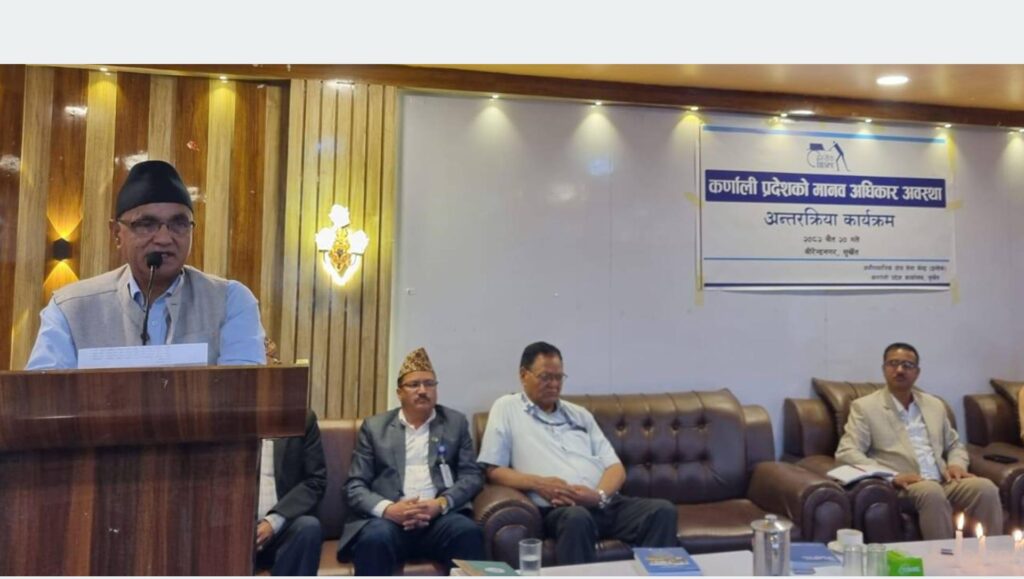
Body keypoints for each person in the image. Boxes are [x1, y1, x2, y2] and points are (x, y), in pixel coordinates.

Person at [25, 160, 265, 369]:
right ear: (117, 234)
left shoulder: (229, 300)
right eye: (146, 224)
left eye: (178, 224)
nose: (164, 238)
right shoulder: (71, 307)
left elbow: (241, 393)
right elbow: (44, 396)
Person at [477, 341, 678, 566]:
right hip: (561, 510)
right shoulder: (506, 408)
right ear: (524, 375)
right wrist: (539, 484)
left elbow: (615, 468)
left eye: (559, 377)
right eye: (545, 377)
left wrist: (599, 495)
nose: (554, 384)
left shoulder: (579, 414)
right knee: (577, 518)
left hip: (603, 504)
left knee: (662, 511)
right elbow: (493, 470)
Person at [339, 347, 484, 575]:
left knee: (467, 532)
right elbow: (354, 485)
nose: (423, 390)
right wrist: (388, 510)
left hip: (439, 520)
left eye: (429, 384)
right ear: (399, 392)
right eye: (414, 385)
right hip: (389, 522)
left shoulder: (455, 423)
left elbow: (472, 476)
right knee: (374, 538)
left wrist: (441, 504)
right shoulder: (375, 428)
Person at [836, 342, 1003, 539]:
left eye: (907, 365)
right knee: (931, 491)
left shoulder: (934, 404)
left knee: (985, 488)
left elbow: (954, 445)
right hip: (903, 486)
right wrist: (893, 476)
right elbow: (847, 452)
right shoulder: (865, 407)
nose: (900, 370)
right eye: (893, 363)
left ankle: (991, 553)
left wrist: (956, 465)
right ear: (884, 369)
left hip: (944, 480)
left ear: (917, 373)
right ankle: (943, 556)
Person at [254, 409, 328, 576]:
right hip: (236, 530)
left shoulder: (301, 419)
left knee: (309, 527)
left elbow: (315, 481)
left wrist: (272, 522)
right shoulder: (224, 418)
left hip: (282, 527)